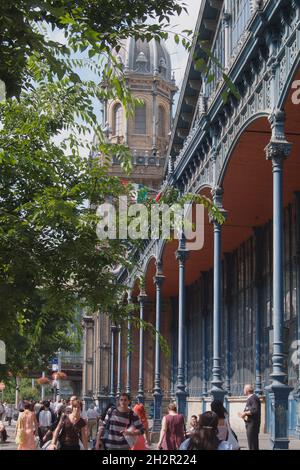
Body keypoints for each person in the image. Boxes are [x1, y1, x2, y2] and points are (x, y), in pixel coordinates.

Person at [238, 384, 261, 450]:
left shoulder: (253, 398)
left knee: (252, 443)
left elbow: (255, 410)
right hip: (250, 424)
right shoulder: (250, 398)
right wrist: (243, 415)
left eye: (244, 389)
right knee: (251, 442)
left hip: (252, 424)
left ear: (247, 390)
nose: (243, 390)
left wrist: (245, 413)